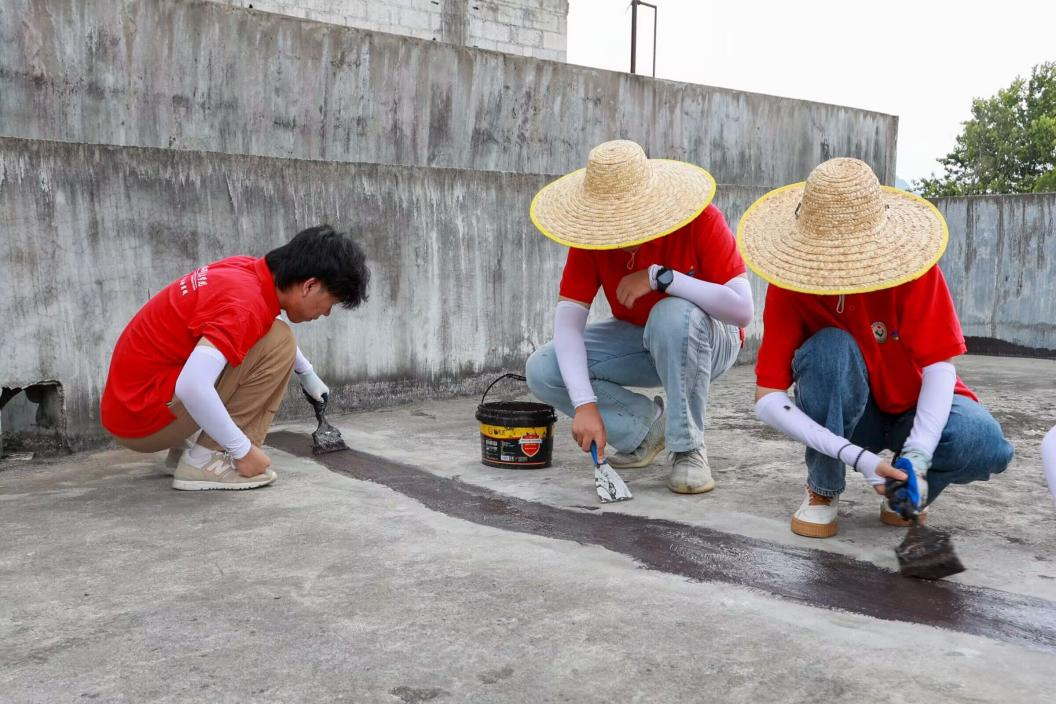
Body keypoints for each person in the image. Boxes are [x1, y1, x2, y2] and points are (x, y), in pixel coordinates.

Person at [738, 157, 1013, 537]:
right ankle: (822, 489)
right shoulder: (789, 284)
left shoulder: (913, 269)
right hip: (850, 420)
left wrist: (917, 456)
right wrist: (857, 457)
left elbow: (938, 366)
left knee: (983, 442)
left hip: (912, 409)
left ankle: (903, 484)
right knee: (829, 349)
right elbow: (768, 397)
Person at [525, 140, 754, 494]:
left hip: (710, 339)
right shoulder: (592, 238)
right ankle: (648, 430)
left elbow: (741, 311)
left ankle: (688, 447)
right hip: (643, 338)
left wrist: (661, 278)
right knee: (544, 368)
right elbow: (568, 326)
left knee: (673, 312)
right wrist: (584, 405)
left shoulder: (700, 218)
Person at [101, 225, 370, 490]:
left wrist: (307, 373)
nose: (326, 314)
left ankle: (185, 450)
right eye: (330, 303)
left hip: (128, 405)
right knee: (281, 343)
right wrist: (242, 451)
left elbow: (261, 324)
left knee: (275, 338)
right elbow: (192, 385)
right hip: (141, 420)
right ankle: (208, 458)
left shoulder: (246, 271)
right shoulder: (244, 305)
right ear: (310, 285)